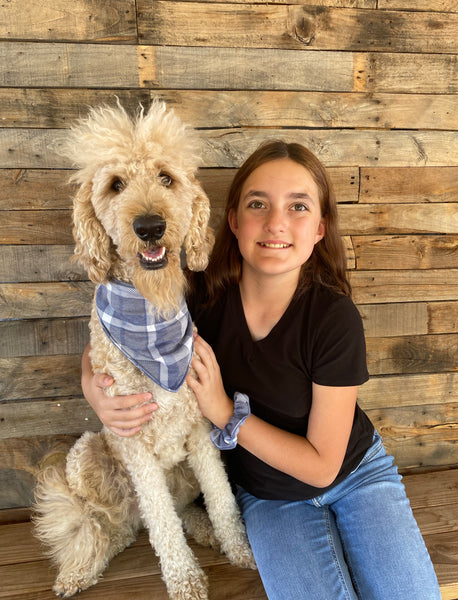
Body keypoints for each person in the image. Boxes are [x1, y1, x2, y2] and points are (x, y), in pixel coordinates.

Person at [81, 141, 441, 600]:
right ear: (232, 220)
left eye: (298, 207)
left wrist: (223, 410)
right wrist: (95, 389)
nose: (276, 224)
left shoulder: (333, 317)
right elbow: (111, 330)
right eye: (258, 204)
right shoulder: (193, 296)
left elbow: (322, 467)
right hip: (266, 495)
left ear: (319, 228)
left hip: (354, 475)